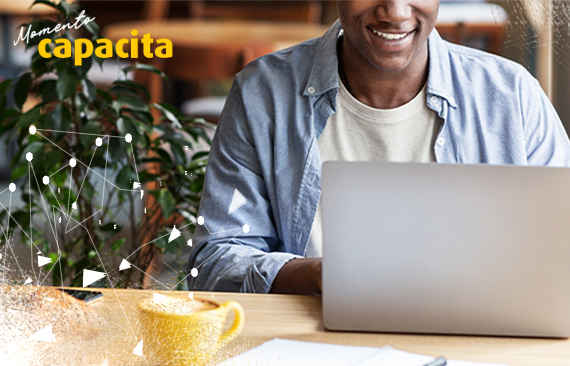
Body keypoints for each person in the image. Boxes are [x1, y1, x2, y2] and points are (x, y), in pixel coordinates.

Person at [186, 0, 570, 295]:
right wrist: (319, 276)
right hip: (312, 347)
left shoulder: (512, 97)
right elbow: (216, 261)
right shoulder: (263, 94)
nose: (395, 12)